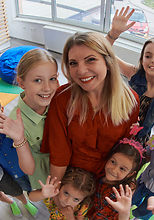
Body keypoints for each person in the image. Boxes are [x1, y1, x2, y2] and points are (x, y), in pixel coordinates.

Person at [41, 31, 140, 182]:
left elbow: (124, 152)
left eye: (90, 60)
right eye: (73, 63)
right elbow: (59, 152)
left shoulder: (130, 100)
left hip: (108, 177)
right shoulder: (62, 98)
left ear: (107, 62)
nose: (81, 71)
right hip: (71, 179)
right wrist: (57, 192)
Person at [106, 8, 154, 145]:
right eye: (148, 56)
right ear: (142, 61)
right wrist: (114, 33)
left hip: (138, 143)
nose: (153, 60)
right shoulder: (134, 73)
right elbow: (104, 54)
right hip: (117, 129)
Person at [8, 48, 60, 190]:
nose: (47, 88)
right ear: (22, 83)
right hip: (45, 177)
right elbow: (29, 170)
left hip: (64, 166)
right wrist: (19, 140)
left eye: (52, 79)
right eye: (38, 80)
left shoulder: (57, 99)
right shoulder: (16, 121)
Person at [87, 138, 146, 220]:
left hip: (101, 219)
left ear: (131, 174)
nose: (114, 170)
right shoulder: (101, 172)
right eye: (113, 162)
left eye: (122, 169)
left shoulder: (120, 195)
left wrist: (124, 213)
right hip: (91, 207)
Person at [28, 167, 95, 220]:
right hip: (56, 215)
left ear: (83, 199)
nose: (67, 201)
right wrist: (42, 195)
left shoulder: (82, 206)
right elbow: (31, 197)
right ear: (61, 185)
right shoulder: (53, 191)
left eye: (76, 199)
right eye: (66, 193)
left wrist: (70, 216)